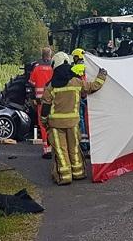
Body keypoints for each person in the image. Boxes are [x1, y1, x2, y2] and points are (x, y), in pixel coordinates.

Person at [41, 52, 107, 185]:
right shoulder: (76, 82)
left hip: (55, 125)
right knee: (74, 148)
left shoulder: (51, 86)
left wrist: (44, 121)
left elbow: (45, 107)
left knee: (61, 150)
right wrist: (102, 75)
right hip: (73, 123)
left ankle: (64, 176)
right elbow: (93, 87)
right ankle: (78, 173)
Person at [29, 47, 54, 159]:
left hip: (40, 101)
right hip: (53, 100)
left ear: (42, 55)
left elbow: (31, 83)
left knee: (43, 125)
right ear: (50, 55)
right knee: (54, 123)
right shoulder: (53, 68)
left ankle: (46, 150)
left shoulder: (37, 68)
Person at [71, 48, 90, 154]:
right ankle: (89, 143)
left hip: (79, 96)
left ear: (77, 57)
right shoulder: (89, 67)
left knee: (80, 119)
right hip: (89, 96)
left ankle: (83, 143)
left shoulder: (74, 69)